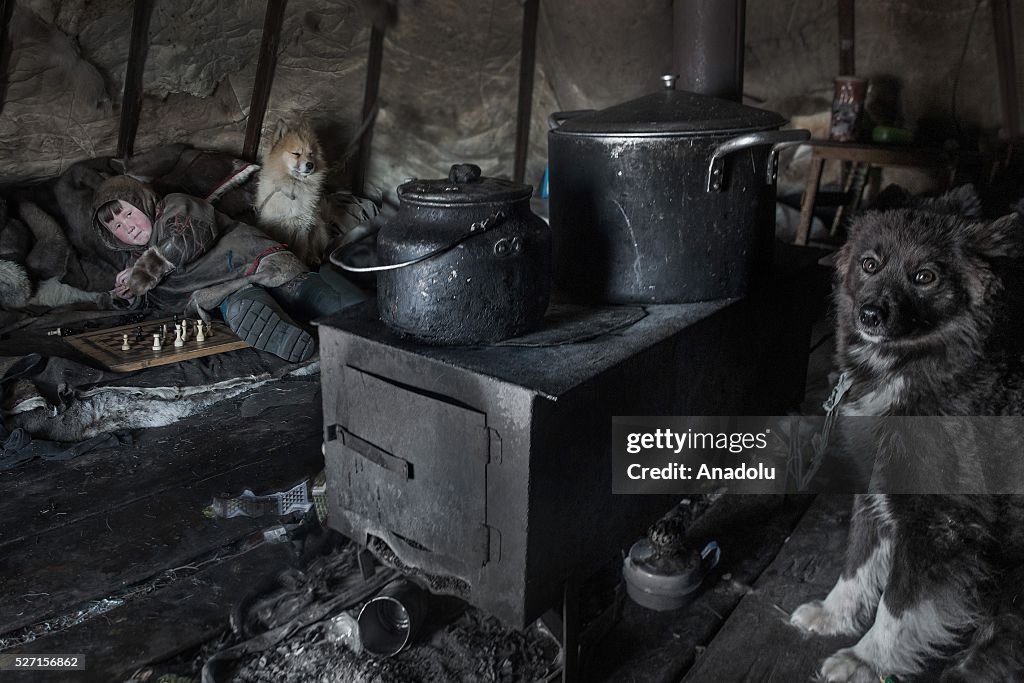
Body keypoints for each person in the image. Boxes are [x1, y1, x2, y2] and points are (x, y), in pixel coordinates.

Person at [91, 175, 365, 362]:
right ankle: (282, 333)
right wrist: (126, 294)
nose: (127, 226)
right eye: (116, 226)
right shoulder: (136, 262)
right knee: (240, 308)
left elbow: (185, 239)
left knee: (300, 289)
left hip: (253, 259)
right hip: (222, 292)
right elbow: (150, 305)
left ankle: (351, 312)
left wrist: (143, 274)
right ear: (112, 238)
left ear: (142, 201)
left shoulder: (174, 206)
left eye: (128, 213)